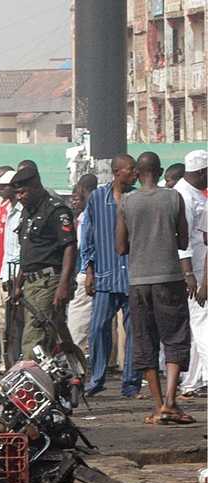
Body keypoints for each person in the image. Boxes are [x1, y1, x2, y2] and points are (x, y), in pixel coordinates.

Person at [116, 152, 194, 424]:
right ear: (160, 172)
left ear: (137, 172)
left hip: (138, 281)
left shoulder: (127, 201)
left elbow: (120, 247)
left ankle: (158, 405)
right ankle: (172, 401)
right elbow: (183, 241)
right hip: (170, 277)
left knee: (144, 340)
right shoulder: (174, 198)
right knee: (175, 336)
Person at [80, 154, 140, 398]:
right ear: (117, 172)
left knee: (134, 330)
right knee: (98, 329)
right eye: (130, 169)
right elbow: (88, 237)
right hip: (105, 275)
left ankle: (131, 382)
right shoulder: (97, 198)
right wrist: (89, 271)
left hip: (133, 276)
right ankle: (96, 378)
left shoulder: (136, 198)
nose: (135, 173)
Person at [13, 166, 77, 361]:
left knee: (34, 338)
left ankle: (29, 386)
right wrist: (19, 282)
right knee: (53, 328)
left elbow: (69, 247)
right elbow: (29, 251)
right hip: (31, 282)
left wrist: (64, 284)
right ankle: (73, 368)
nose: (19, 197)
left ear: (35, 186)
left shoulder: (56, 210)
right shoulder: (27, 212)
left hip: (49, 281)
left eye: (23, 192)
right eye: (17, 192)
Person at [174, 150, 208, 396]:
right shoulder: (183, 196)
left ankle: (192, 381)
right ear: (202, 172)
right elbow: (181, 241)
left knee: (199, 325)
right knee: (202, 323)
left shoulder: (194, 193)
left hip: (201, 267)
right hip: (195, 271)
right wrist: (190, 276)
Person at [0, 167, 24, 366]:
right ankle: (6, 359)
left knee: (16, 320)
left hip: (14, 273)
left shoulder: (21, 210)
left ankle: (17, 359)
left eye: (4, 186)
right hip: (0, 270)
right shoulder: (3, 208)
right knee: (2, 319)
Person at [65, 180, 98, 358]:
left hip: (86, 273)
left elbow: (85, 248)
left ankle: (74, 356)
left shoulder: (87, 217)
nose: (74, 202)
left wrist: (86, 272)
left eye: (77, 197)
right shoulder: (83, 217)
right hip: (88, 272)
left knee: (78, 317)